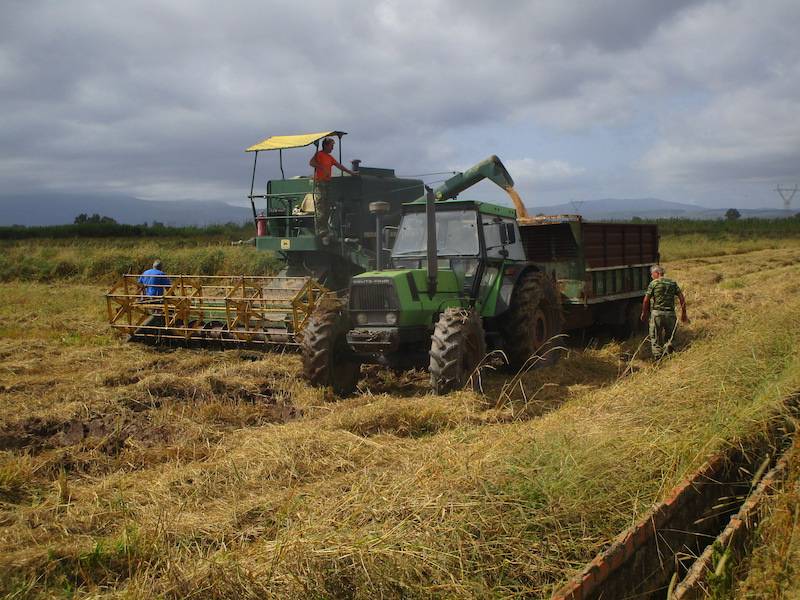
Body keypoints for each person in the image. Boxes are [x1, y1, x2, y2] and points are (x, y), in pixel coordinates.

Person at [309, 137, 356, 243]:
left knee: (327, 207)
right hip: (320, 183)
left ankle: (325, 229)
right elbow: (311, 163)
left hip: (327, 183)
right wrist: (321, 167)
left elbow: (339, 166)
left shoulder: (329, 157)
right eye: (331, 145)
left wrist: (350, 172)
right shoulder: (319, 155)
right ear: (326, 145)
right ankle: (320, 230)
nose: (332, 148)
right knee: (320, 207)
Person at [641, 265, 688, 359]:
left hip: (657, 314)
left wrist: (644, 313)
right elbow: (682, 298)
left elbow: (646, 300)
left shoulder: (653, 283)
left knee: (655, 338)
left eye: (652, 274)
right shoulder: (672, 283)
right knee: (670, 338)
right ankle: (668, 353)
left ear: (657, 273)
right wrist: (684, 313)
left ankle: (658, 359)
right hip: (670, 314)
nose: (651, 276)